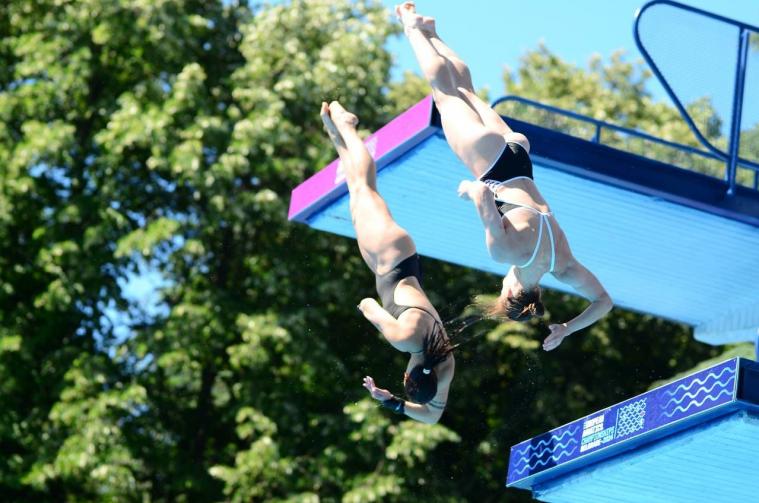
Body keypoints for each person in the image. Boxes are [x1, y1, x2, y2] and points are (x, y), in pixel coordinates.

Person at [395, 2, 612, 351]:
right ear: (511, 291)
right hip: (492, 166)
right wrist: (467, 191)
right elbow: (482, 194)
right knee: (446, 94)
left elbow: (604, 302)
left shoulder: (563, 265)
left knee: (466, 91)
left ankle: (432, 31)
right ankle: (412, 28)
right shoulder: (506, 254)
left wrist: (567, 329)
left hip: (519, 156)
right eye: (502, 289)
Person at [320, 100, 454, 423]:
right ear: (407, 377)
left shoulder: (444, 366)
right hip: (389, 257)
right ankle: (348, 127)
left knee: (357, 195)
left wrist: (392, 401)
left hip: (398, 262)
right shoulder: (403, 339)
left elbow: (432, 417)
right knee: (365, 190)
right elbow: (367, 304)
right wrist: (382, 327)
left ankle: (334, 134)